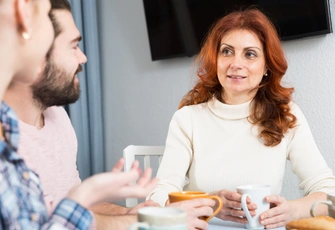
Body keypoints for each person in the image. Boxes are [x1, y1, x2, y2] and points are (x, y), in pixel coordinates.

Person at [4, 0, 217, 229]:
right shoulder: (9, 137)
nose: (83, 57)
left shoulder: (58, 117)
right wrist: (152, 221)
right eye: (73, 46)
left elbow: (66, 213)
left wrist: (132, 213)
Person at [147, 7, 335, 229]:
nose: (236, 64)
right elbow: (160, 195)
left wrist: (292, 210)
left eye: (250, 53)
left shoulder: (286, 114)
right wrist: (211, 203)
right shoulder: (187, 119)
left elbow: (329, 193)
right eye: (226, 51)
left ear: (266, 66)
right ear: (215, 60)